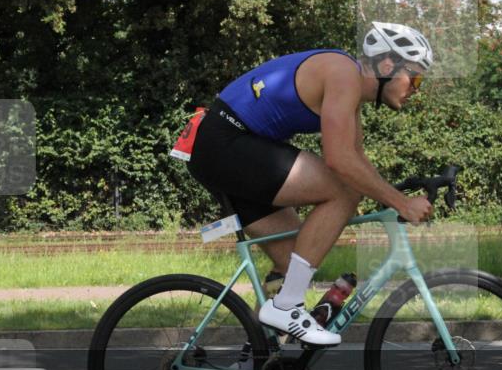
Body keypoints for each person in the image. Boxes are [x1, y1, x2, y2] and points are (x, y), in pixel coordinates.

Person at [186, 22, 435, 346]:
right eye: (415, 77)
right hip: (227, 143)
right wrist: (401, 203)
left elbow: (357, 158)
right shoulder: (343, 73)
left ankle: (262, 359)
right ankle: (287, 307)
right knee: (345, 189)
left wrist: (393, 194)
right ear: (388, 64)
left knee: (291, 264)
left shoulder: (350, 91)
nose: (417, 87)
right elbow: (340, 162)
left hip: (228, 149)